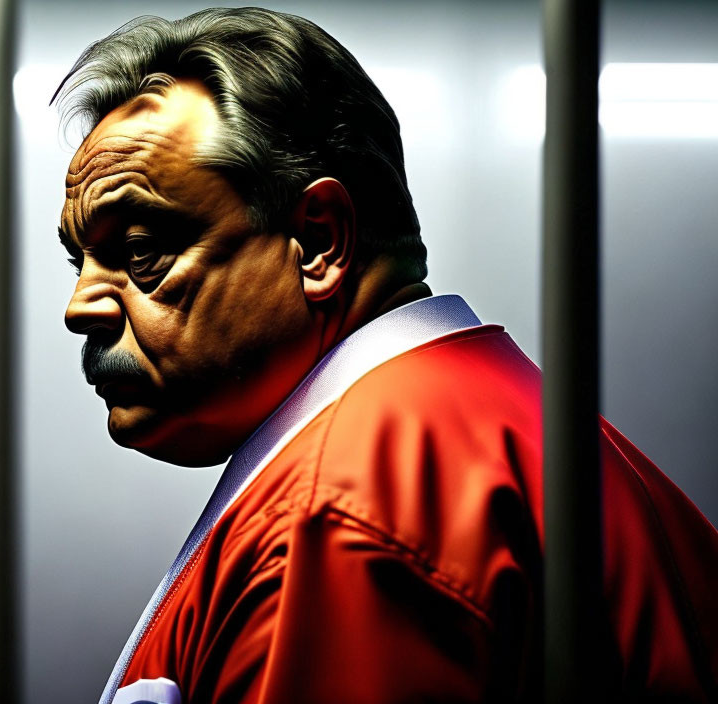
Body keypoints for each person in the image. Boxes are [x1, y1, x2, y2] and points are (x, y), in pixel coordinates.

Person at [54, 8, 718, 703]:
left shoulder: (340, 511)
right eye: (82, 260)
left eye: (141, 252)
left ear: (317, 242)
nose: (81, 306)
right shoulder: (495, 426)